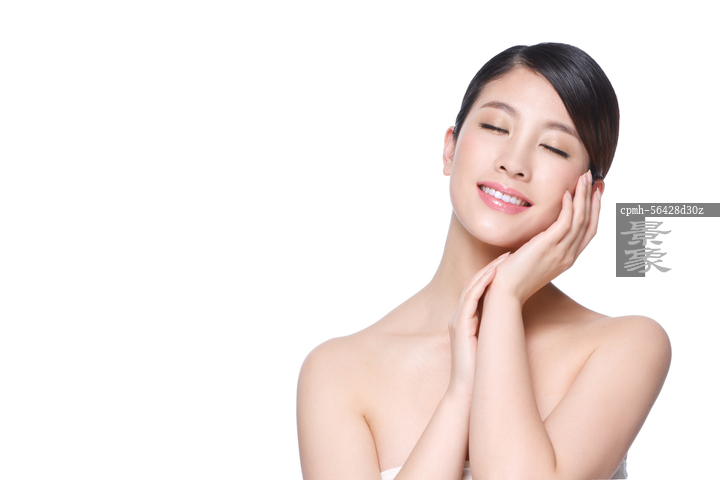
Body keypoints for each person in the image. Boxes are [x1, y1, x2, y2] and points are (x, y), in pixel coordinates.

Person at [296, 43, 671, 480]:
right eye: (495, 126)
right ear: (449, 148)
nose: (514, 163)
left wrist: (505, 299)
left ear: (590, 193)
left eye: (554, 148)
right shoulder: (337, 372)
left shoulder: (626, 346)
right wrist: (459, 393)